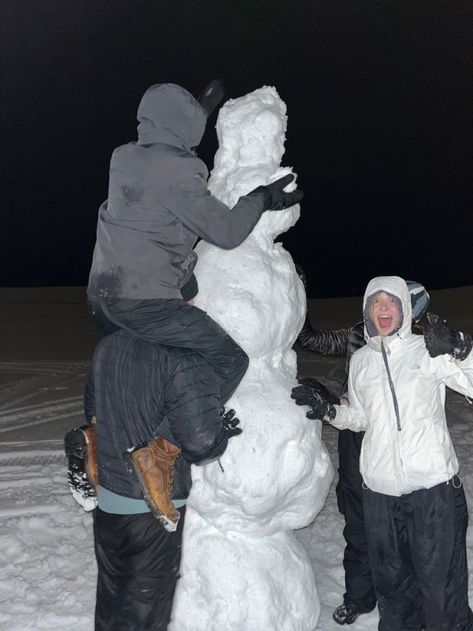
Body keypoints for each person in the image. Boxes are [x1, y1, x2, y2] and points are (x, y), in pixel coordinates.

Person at [87, 81, 303, 407]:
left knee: (142, 365)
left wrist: (185, 287)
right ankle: (173, 441)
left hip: (102, 299)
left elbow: (154, 234)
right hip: (144, 302)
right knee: (229, 359)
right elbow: (227, 232)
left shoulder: (124, 158)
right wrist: (261, 197)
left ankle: (99, 430)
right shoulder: (181, 170)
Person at [294, 275, 473, 631]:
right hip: (380, 495)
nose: (384, 308)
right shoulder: (360, 361)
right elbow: (361, 418)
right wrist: (331, 412)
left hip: (432, 490)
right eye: (376, 301)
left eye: (391, 301)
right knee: (392, 584)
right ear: (367, 311)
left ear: (405, 308)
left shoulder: (427, 350)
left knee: (441, 586)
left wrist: (461, 349)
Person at [83, 314, 243, 630]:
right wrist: (216, 430)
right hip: (151, 505)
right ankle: (154, 456)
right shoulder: (180, 354)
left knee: (114, 596)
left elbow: (92, 408)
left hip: (110, 495)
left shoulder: (108, 345)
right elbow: (200, 443)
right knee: (147, 609)